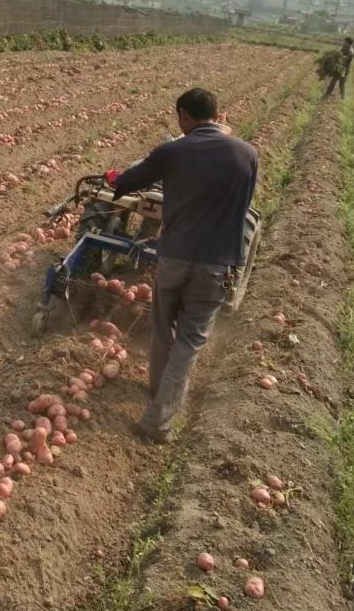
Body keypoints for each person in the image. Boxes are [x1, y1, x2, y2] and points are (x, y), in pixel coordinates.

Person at [108, 88, 258, 442]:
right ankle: (161, 411)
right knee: (190, 342)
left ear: (183, 115)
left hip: (174, 256)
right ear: (217, 114)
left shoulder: (174, 150)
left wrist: (112, 177)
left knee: (162, 327)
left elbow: (130, 180)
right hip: (215, 264)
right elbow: (244, 206)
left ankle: (157, 411)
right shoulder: (248, 154)